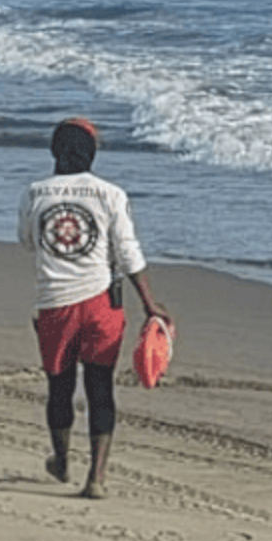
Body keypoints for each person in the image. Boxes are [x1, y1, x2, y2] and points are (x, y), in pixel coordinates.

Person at [19, 117, 169, 499]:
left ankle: (62, 459)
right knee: (100, 387)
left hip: (54, 304)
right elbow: (128, 253)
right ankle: (96, 480)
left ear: (54, 150)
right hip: (103, 304)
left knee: (59, 387)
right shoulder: (110, 194)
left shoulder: (35, 192)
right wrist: (150, 304)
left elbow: (27, 241)